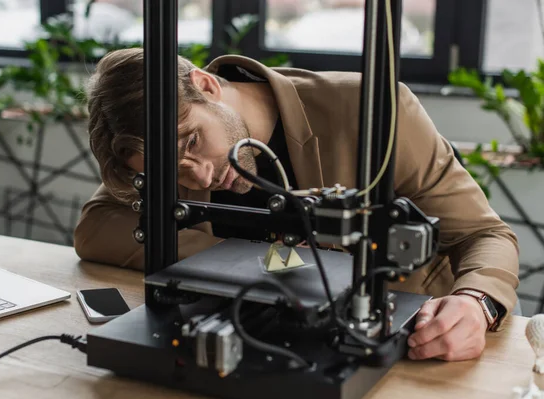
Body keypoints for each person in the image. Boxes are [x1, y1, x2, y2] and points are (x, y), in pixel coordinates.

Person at [74, 48, 520, 362]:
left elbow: (485, 234)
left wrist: (476, 303)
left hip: (400, 347)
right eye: (174, 172)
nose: (201, 177)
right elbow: (98, 226)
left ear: (206, 86)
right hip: (261, 346)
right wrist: (254, 263)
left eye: (193, 142)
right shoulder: (167, 145)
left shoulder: (373, 108)